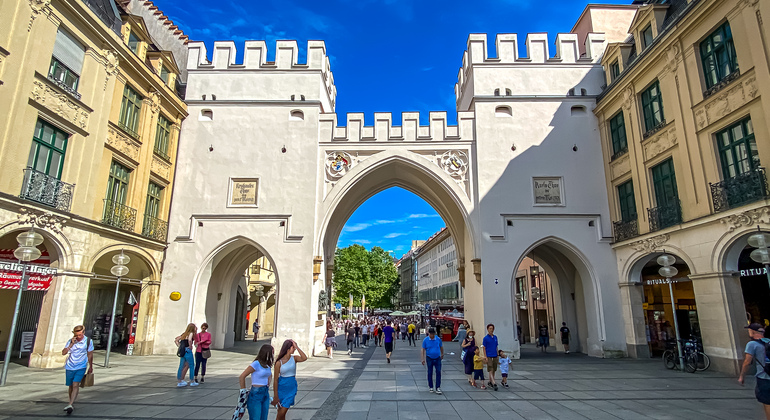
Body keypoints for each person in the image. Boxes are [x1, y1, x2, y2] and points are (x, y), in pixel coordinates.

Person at [739, 323, 770, 419]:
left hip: (764, 377)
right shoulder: (769, 341)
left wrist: (742, 376)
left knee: (767, 402)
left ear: (753, 332)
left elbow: (747, 362)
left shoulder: (752, 344)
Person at [61, 325, 94, 415]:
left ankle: (70, 404)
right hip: (70, 366)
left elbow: (90, 354)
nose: (78, 337)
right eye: (77, 335)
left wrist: (90, 366)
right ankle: (70, 401)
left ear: (83, 333)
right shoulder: (71, 341)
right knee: (70, 386)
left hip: (81, 366)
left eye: (80, 335)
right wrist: (71, 344)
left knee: (76, 384)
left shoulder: (88, 341)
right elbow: (63, 353)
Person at [273, 339, 308, 420]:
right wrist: (275, 395)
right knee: (281, 411)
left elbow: (304, 358)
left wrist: (297, 347)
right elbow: (275, 380)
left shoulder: (294, 358)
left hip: (291, 386)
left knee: (283, 410)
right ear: (288, 349)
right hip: (282, 386)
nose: (294, 349)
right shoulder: (279, 362)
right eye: (293, 347)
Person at [239, 344, 274, 420]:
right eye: (272, 353)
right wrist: (243, 390)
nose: (273, 355)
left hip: (265, 392)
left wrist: (268, 382)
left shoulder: (267, 365)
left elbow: (269, 374)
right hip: (256, 393)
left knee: (264, 417)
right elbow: (242, 376)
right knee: (256, 417)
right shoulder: (256, 364)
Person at [421, 327, 444, 394]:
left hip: (437, 357)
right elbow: (423, 349)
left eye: (433, 334)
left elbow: (441, 346)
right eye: (431, 334)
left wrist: (442, 354)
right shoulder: (426, 340)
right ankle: (431, 386)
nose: (432, 335)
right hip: (429, 357)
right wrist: (423, 359)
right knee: (430, 372)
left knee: (438, 372)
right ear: (429, 334)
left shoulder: (438, 339)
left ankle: (438, 387)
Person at [175, 323, 198, 387]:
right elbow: (190, 340)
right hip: (188, 351)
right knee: (191, 365)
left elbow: (176, 340)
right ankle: (192, 381)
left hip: (183, 351)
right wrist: (190, 346)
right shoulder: (190, 333)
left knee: (181, 366)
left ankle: (180, 381)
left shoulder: (184, 334)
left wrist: (180, 346)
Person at [481, 323, 499, 391]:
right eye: (490, 329)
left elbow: (496, 346)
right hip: (489, 355)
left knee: (494, 369)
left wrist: (497, 355)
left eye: (492, 329)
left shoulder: (495, 337)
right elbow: (484, 347)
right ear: (487, 329)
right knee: (490, 368)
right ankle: (494, 382)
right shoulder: (485, 338)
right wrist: (485, 356)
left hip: (494, 354)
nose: (491, 330)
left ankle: (490, 381)